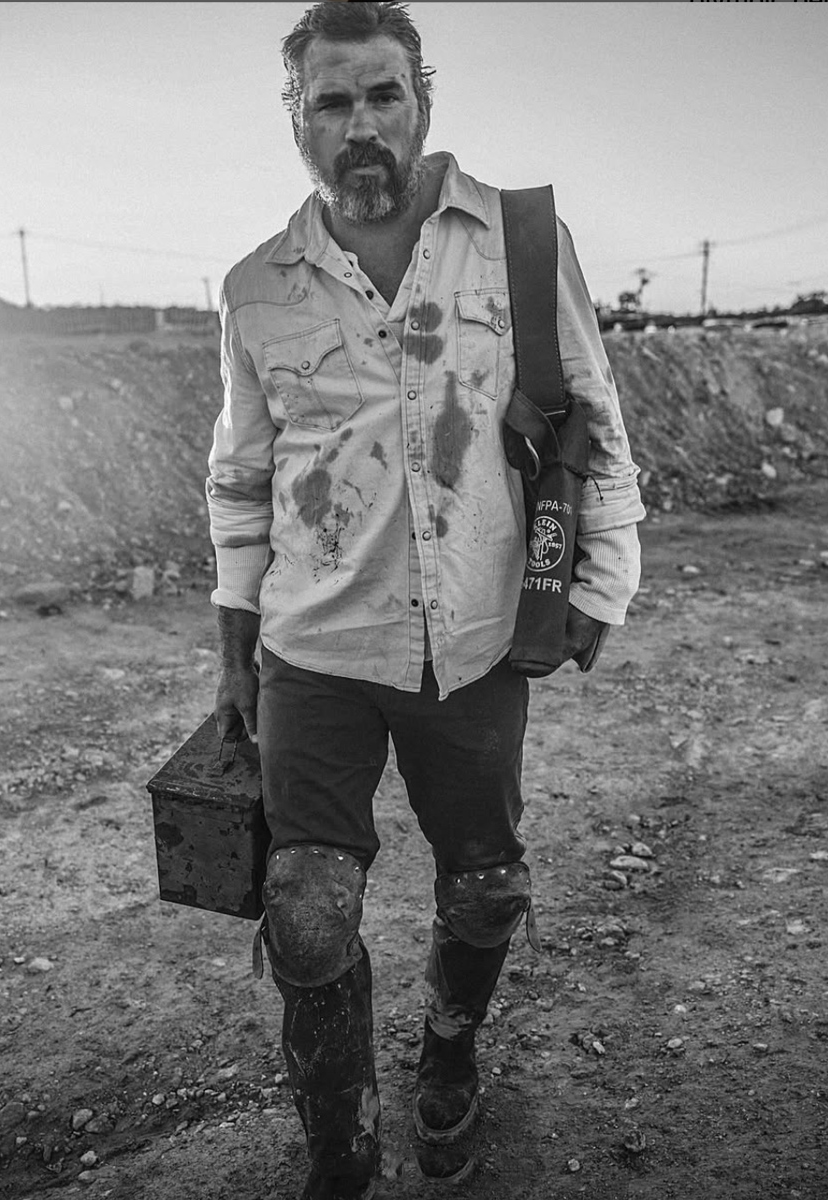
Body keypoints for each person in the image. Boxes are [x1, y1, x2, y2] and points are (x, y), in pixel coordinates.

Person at [206, 4, 645, 1197]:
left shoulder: (519, 243)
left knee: (487, 885)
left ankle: (448, 1052)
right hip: (316, 641)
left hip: (473, 636)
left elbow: (591, 422)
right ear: (296, 118)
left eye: (380, 96)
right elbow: (242, 479)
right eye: (331, 103)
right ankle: (337, 1150)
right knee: (302, 915)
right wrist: (232, 640)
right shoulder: (258, 287)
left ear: (423, 100)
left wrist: (599, 583)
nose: (360, 128)